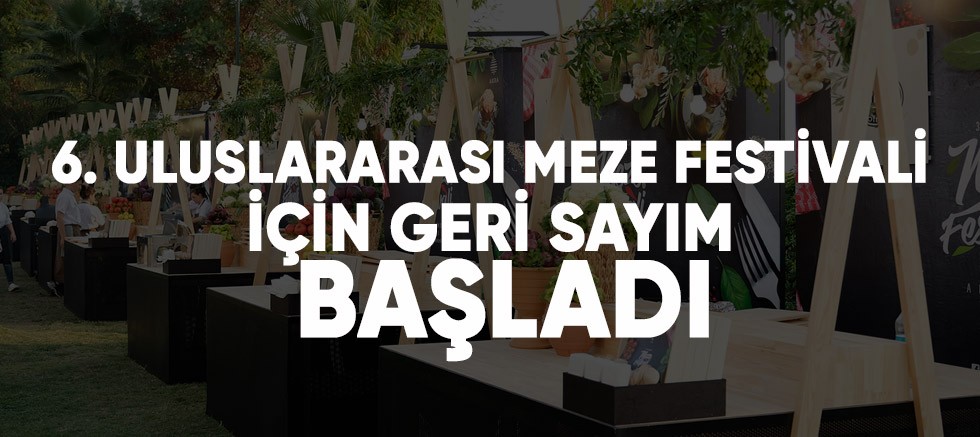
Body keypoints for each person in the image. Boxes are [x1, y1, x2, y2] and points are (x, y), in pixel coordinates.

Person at [49, 181, 81, 297]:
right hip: (68, 228)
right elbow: (60, 216)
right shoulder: (64, 196)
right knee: (65, 257)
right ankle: (61, 285)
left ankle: (68, 284)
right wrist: (63, 237)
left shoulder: (69, 196)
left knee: (70, 257)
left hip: (72, 227)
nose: (79, 187)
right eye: (78, 184)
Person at [0, 200, 19, 292]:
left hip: (3, 232)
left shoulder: (3, 206)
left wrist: (13, 232)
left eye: (1, 194)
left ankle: (11, 283)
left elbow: (8, 220)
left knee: (6, 258)